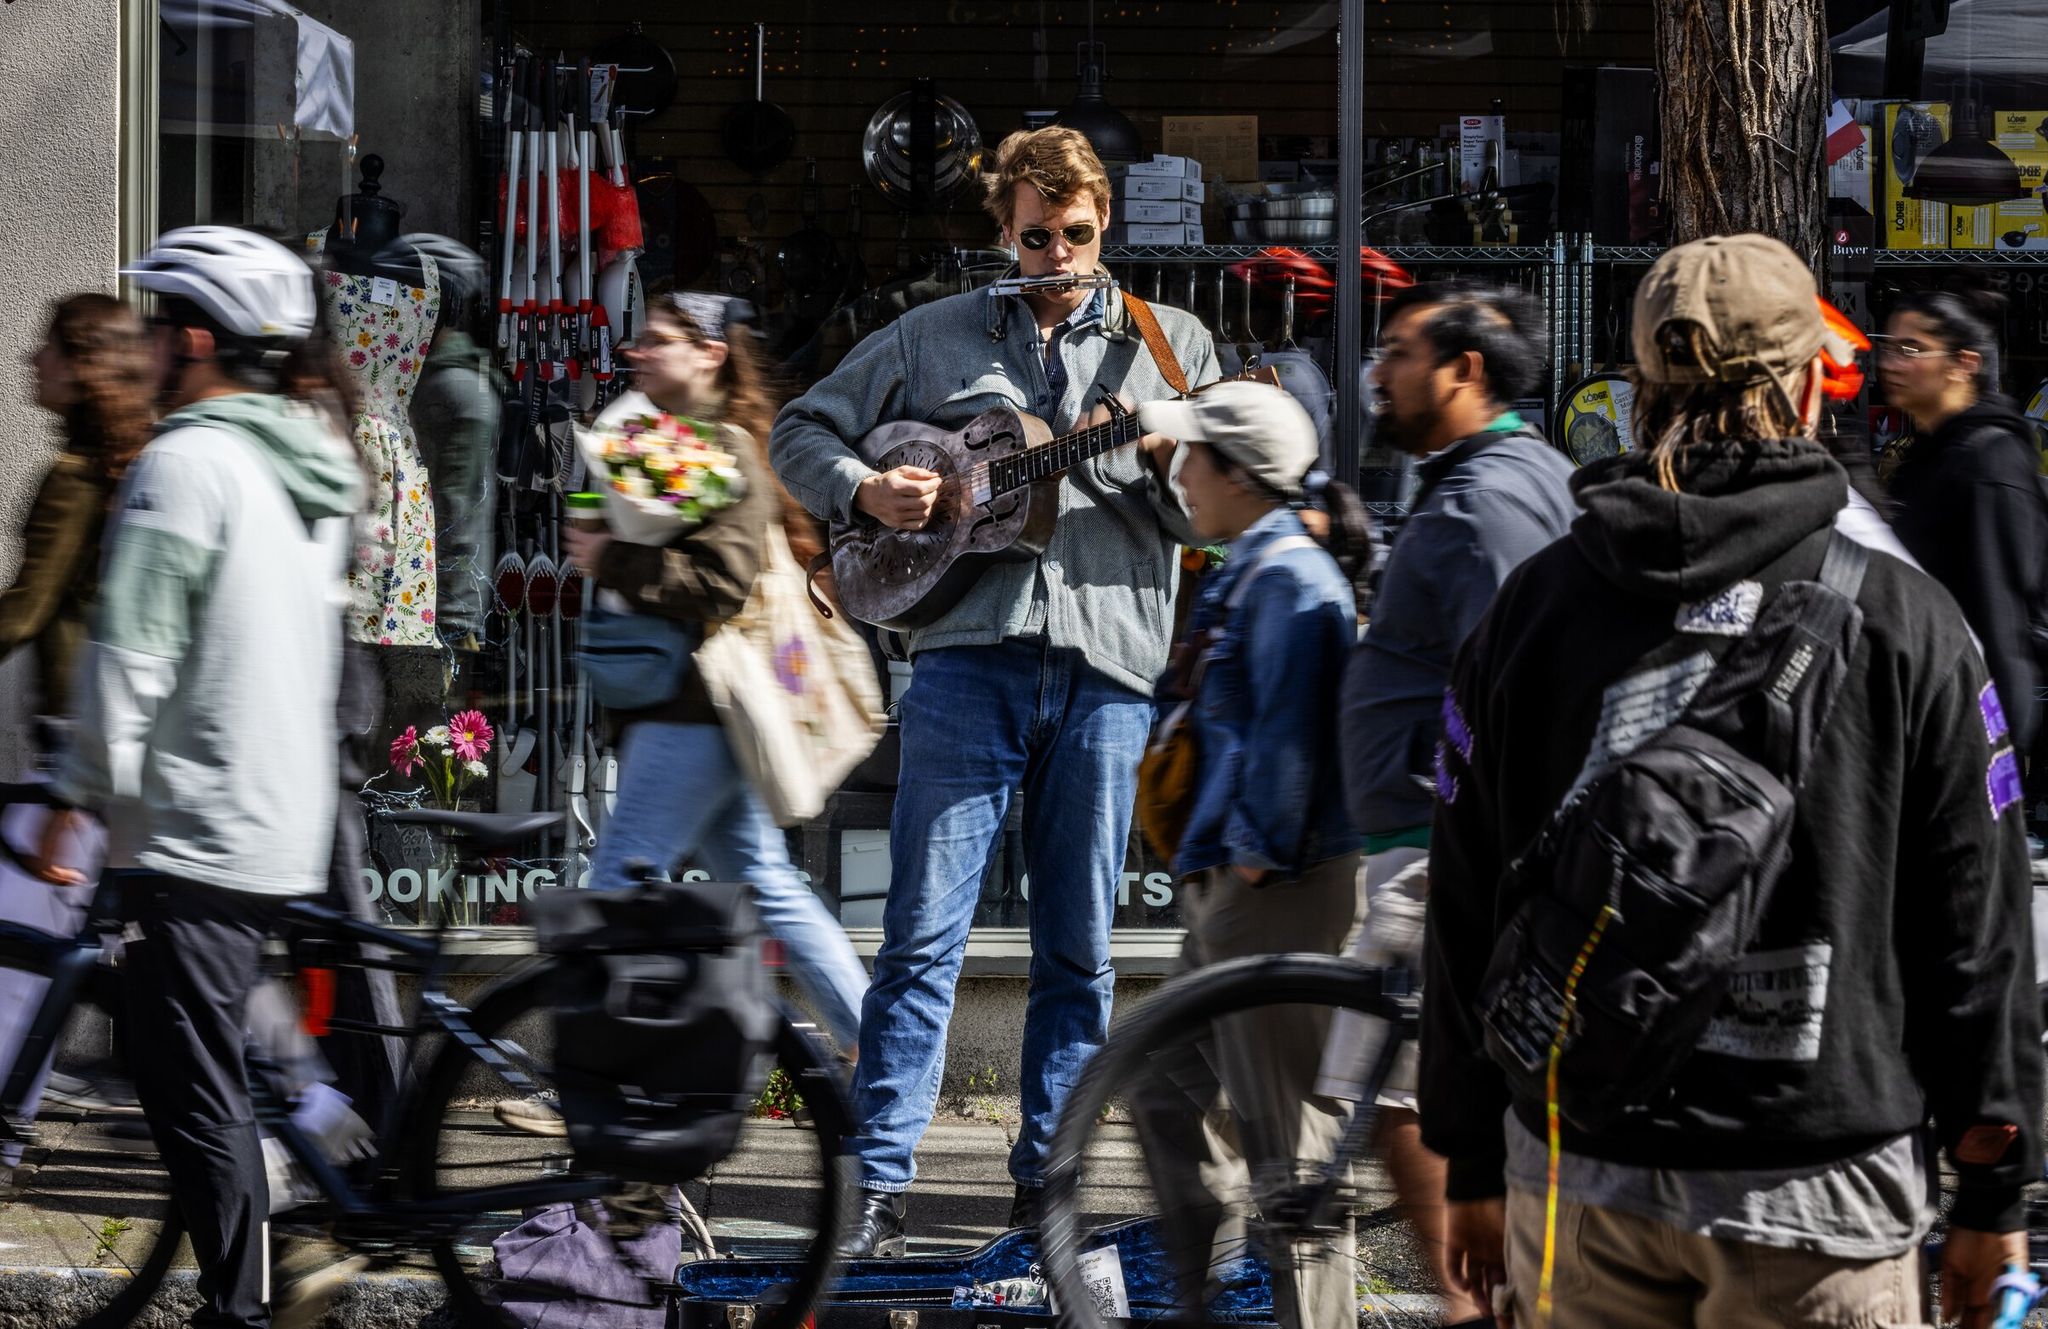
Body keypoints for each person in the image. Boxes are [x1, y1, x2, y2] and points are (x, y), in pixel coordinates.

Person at [1424, 235, 2042, 1329]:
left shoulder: (1530, 607)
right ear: (1809, 384)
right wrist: (1989, 1181)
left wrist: (1470, 1154)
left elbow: (1466, 894)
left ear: (1640, 392)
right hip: (1816, 1186)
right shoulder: (1906, 618)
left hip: (1579, 1178)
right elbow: (1975, 921)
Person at [770, 125, 1218, 1254]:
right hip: (966, 658)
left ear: (1104, 221)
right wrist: (867, 490)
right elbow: (797, 429)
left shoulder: (1172, 349)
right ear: (1001, 230)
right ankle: (872, 1189)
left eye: (1074, 233)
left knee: (1079, 950)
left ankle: (1045, 1192)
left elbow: (1210, 509)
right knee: (921, 937)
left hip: (1108, 666)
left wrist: (1152, 466)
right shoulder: (932, 336)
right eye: (1033, 235)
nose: (1054, 254)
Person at [32, 226, 364, 1329]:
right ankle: (317, 1191)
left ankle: (246, 1304)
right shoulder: (303, 459)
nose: (140, 355)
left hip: (196, 821)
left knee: (191, 1094)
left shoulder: (186, 462)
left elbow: (133, 651)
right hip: (276, 814)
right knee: (216, 1043)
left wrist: (79, 793)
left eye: (152, 331)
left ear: (192, 338)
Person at [503, 288, 869, 1140]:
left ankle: (588, 1087)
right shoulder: (665, 442)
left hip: (695, 709)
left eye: (661, 340)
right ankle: (881, 1052)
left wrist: (614, 557)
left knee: (617, 884)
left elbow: (719, 584)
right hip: (687, 709)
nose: (640, 352)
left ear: (710, 353)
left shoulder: (726, 448)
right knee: (768, 885)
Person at [1330, 279, 1572, 1329]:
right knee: (1398, 1089)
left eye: (1394, 352)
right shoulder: (1478, 481)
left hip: (1440, 844)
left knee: (1407, 1100)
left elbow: (1523, 681)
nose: (1375, 373)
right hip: (1427, 831)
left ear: (1460, 372)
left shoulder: (1486, 500)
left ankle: (1475, 1312)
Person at [1130, 381, 1360, 1329]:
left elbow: (1294, 738)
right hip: (1234, 879)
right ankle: (1203, 1302)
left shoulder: (1293, 579)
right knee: (1159, 1091)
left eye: (1192, 452)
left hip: (1277, 885)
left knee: (1287, 1141)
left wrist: (1253, 866)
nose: (1177, 466)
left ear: (1236, 472)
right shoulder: (1248, 563)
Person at [1879, 290, 2048, 764]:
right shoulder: (1924, 455)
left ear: (1963, 364)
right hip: (1923, 721)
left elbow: (1998, 623)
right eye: (1888, 347)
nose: (1891, 363)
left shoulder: (1988, 461)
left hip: (1966, 738)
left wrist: (1989, 753)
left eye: (1911, 349)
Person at [4, 294, 154, 745]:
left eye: (48, 347)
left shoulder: (76, 477)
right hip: (121, 721)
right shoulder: (133, 458)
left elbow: (23, 614)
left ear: (79, 365)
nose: (33, 358)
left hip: (76, 733)